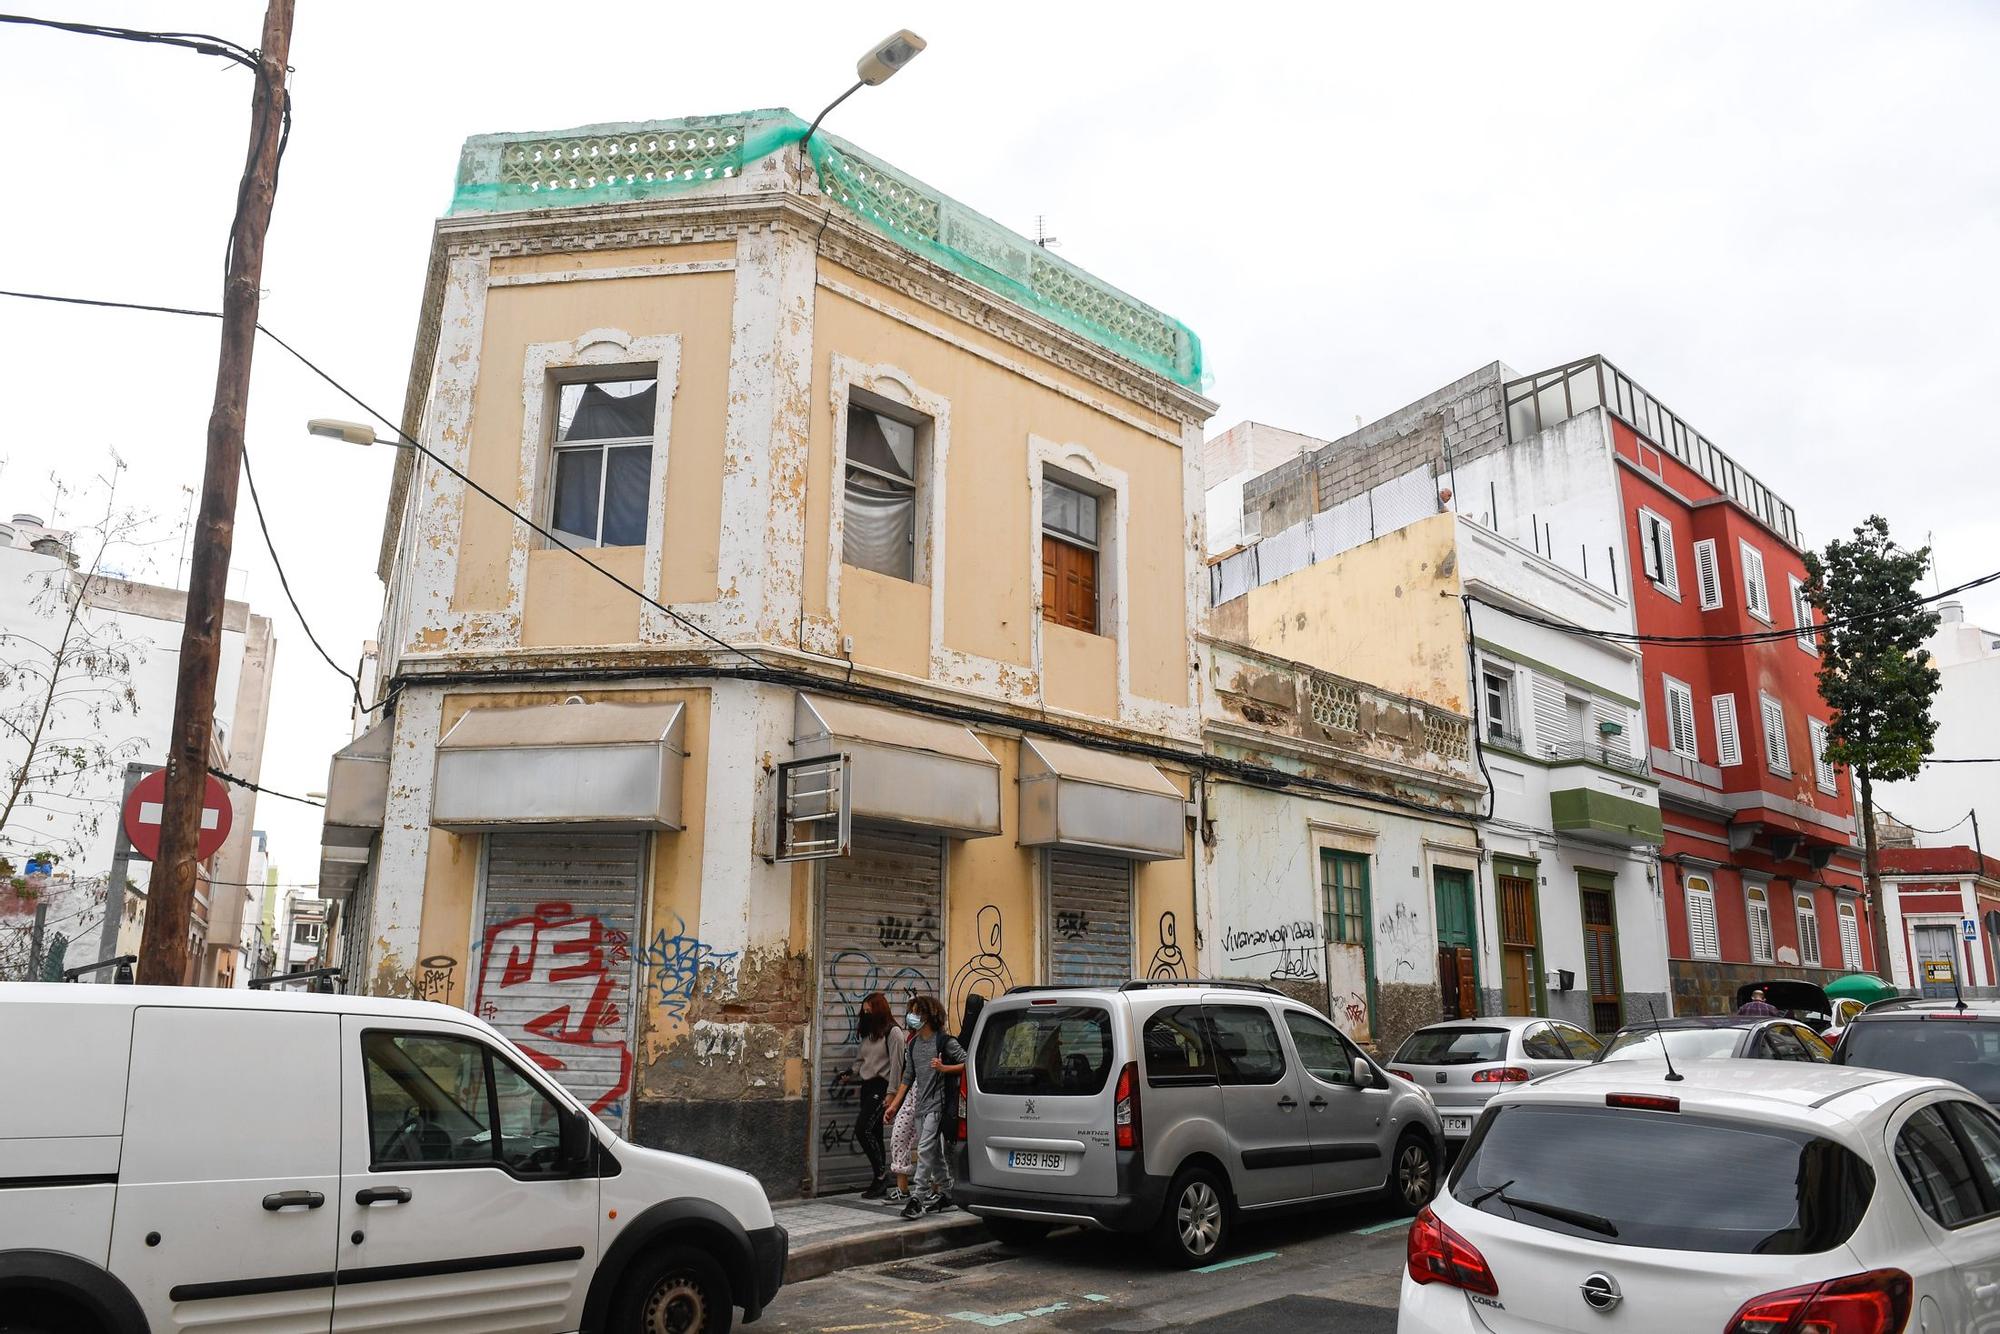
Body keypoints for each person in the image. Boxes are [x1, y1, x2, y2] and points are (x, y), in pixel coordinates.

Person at [890, 993, 966, 1219]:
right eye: (911, 1012)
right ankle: (948, 1193)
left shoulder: (945, 1042)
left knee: (924, 1150)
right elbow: (908, 1077)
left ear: (928, 1015)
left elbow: (969, 1062)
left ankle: (918, 1198)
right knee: (933, 1152)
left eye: (916, 1012)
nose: (911, 1017)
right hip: (920, 1105)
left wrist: (944, 1069)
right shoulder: (913, 1045)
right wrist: (895, 1105)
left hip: (938, 1104)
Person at [851, 992, 903, 1199]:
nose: (866, 1015)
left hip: (882, 1088)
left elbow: (898, 1066)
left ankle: (882, 1177)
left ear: (879, 1010)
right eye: (864, 1012)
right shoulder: (869, 1034)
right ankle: (880, 1179)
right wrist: (850, 1073)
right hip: (867, 1087)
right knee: (874, 1132)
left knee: (863, 1130)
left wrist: (892, 1094)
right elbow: (861, 1060)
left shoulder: (893, 1032)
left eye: (869, 1011)